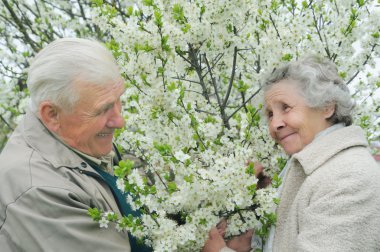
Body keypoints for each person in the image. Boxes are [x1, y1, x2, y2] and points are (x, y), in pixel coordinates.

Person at [203, 55, 380, 251]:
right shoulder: (311, 167)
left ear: (327, 106)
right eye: (270, 114)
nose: (274, 124)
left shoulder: (349, 176)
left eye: (285, 108)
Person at [0, 38, 151, 251]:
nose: (120, 121)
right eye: (103, 109)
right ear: (52, 115)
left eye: (119, 100)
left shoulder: (82, 142)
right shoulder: (38, 191)